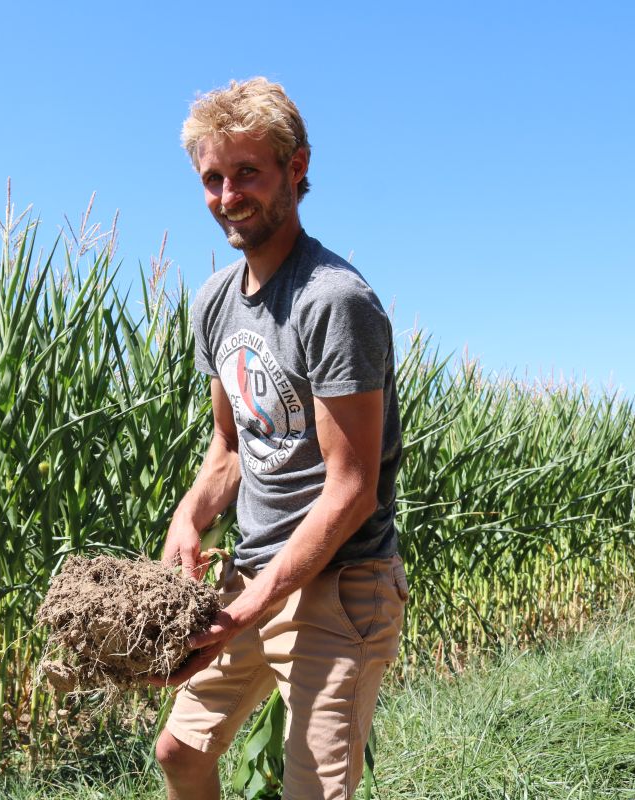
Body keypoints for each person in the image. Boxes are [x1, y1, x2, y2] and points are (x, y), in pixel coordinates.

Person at [153, 77, 408, 800]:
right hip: (251, 579)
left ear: (296, 169)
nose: (229, 196)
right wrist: (188, 517)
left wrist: (245, 605)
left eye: (248, 174)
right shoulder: (214, 302)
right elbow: (230, 451)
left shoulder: (334, 301)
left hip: (339, 586)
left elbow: (351, 490)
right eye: (213, 178)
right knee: (180, 751)